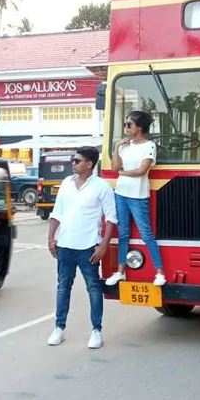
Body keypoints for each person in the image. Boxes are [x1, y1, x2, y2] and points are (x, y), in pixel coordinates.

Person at [47, 146, 117, 349]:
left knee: (93, 289)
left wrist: (103, 245)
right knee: (63, 287)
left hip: (88, 247)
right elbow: (56, 213)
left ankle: (96, 331)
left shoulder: (101, 187)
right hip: (65, 245)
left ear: (89, 164)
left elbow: (111, 219)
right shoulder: (66, 184)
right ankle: (59, 328)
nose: (73, 163)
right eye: (73, 160)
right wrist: (51, 238)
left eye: (77, 160)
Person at [105, 110, 166, 287]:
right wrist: (116, 147)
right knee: (123, 234)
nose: (126, 127)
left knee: (146, 234)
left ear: (139, 127)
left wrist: (122, 173)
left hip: (138, 196)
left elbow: (141, 171)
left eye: (129, 124)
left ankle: (160, 272)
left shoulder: (150, 146)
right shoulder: (124, 146)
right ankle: (120, 271)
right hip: (121, 193)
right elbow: (115, 166)